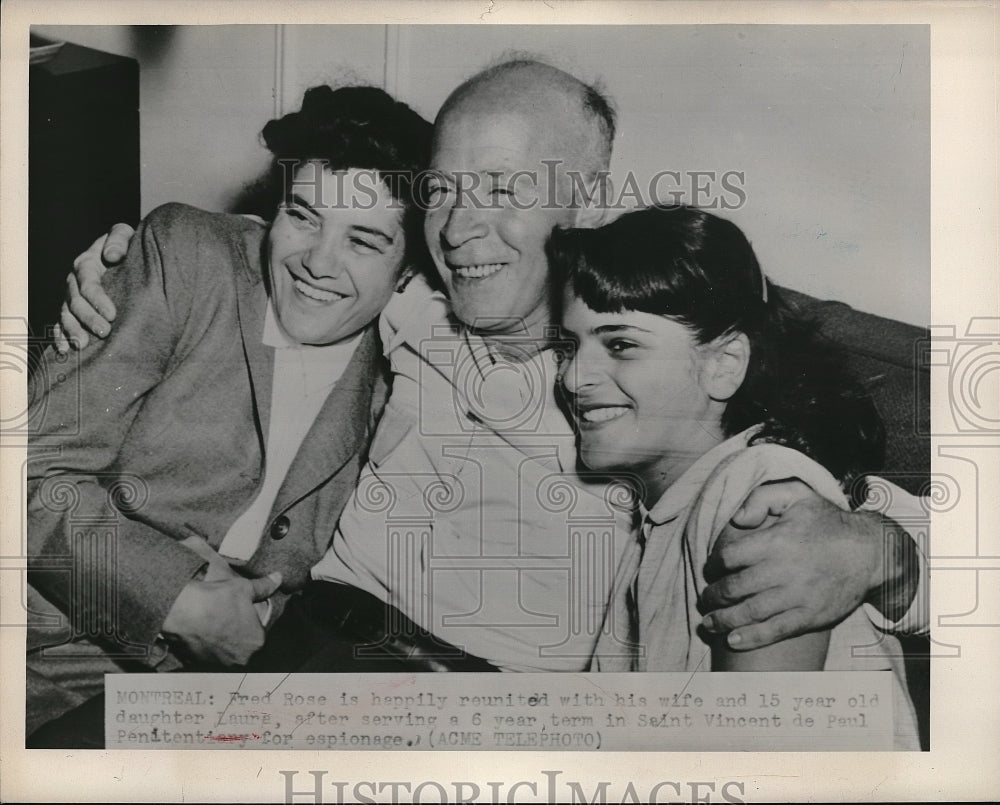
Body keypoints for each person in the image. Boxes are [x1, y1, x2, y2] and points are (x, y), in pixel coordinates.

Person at [56, 60, 927, 671]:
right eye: (443, 188)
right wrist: (120, 265)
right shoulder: (411, 298)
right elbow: (298, 249)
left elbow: (822, 474)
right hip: (297, 649)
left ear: (587, 202)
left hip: (483, 714)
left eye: (506, 190)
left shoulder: (642, 369)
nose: (461, 227)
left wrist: (883, 552)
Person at [26, 84, 431, 736]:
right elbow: (28, 479)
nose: (317, 263)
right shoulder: (186, 258)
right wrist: (179, 600)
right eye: (303, 216)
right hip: (53, 655)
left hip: (223, 703)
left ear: (408, 272)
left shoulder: (404, 373)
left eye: (363, 240)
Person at [551, 205, 920, 748]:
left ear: (724, 364)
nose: (572, 376)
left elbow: (753, 767)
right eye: (569, 346)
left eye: (621, 344)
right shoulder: (665, 515)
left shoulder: (756, 496)